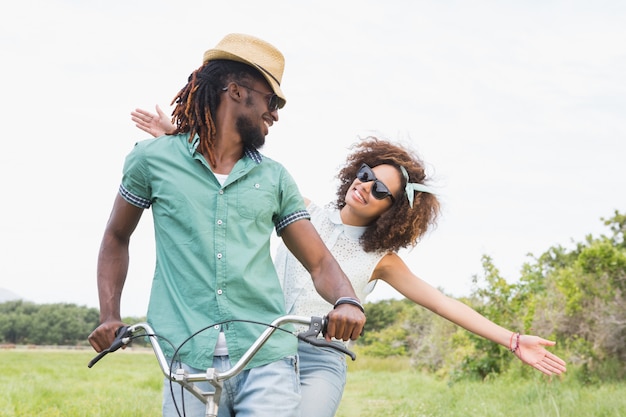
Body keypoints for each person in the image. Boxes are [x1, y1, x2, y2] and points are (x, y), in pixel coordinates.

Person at [134, 128, 567, 416]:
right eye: (365, 175)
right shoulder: (302, 210)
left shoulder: (382, 259)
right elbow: (244, 175)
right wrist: (173, 139)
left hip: (321, 357)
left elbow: (442, 303)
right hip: (262, 346)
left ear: (391, 211)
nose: (365, 186)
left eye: (380, 190)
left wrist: (512, 341)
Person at [88, 33, 366, 417]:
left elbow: (319, 261)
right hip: (185, 356)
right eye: (272, 101)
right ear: (236, 92)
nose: (276, 114)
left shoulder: (275, 179)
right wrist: (109, 315)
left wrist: (346, 299)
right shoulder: (151, 161)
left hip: (266, 357)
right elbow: (116, 237)